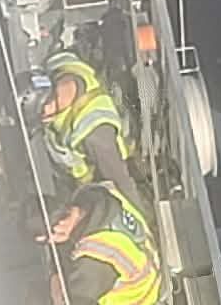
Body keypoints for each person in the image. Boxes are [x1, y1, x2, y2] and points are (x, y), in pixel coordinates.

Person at [41, 184, 167, 305]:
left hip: (147, 303)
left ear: (55, 232)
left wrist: (55, 286)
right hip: (156, 261)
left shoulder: (92, 260)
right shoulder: (96, 196)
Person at [25, 51, 145, 206]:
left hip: (97, 175)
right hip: (76, 176)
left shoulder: (95, 134)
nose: (43, 122)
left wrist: (142, 224)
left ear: (46, 107)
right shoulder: (62, 67)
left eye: (40, 119)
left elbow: (122, 183)